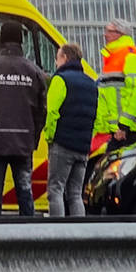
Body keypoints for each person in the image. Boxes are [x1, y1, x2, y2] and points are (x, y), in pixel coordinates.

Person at [0, 22, 46, 216]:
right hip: (23, 142)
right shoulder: (34, 71)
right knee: (25, 191)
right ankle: (27, 239)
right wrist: (33, 138)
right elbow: (41, 111)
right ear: (21, 41)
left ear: (2, 40)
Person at [43, 42, 98, 217]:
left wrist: (50, 137)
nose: (56, 62)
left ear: (65, 58)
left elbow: (52, 112)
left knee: (55, 190)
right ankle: (79, 236)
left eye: (57, 58)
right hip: (82, 147)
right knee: (75, 193)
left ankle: (58, 234)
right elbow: (96, 115)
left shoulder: (60, 79)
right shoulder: (91, 84)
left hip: (62, 144)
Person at [95, 16, 136, 152]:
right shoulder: (112, 58)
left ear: (120, 34)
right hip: (121, 131)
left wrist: (124, 125)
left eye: (109, 31)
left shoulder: (131, 57)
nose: (105, 35)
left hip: (132, 131)